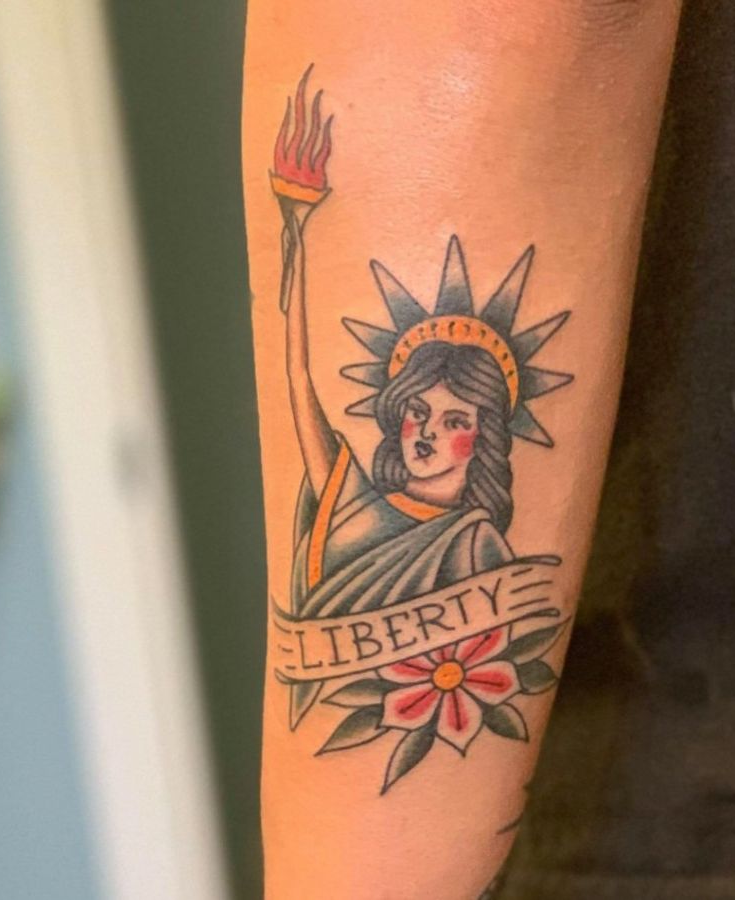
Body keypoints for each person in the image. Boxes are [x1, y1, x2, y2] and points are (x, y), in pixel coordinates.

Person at [241, 2, 684, 896]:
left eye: (453, 421)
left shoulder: (480, 546)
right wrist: (297, 236)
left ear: (487, 438)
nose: (426, 433)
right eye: (417, 413)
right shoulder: (354, 496)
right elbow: (302, 386)